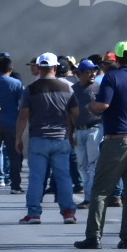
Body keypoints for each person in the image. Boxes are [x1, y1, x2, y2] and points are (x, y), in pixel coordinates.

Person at [77, 42, 127, 250]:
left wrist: (90, 106)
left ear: (117, 58)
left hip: (117, 140)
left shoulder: (112, 77)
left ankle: (93, 237)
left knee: (101, 190)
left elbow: (103, 105)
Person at [17, 53, 77, 225]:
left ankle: (34, 213)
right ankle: (68, 212)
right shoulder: (67, 87)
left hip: (38, 138)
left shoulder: (31, 89)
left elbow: (23, 116)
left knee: (36, 178)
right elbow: (75, 113)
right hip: (61, 138)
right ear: (56, 67)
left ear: (38, 68)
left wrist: (18, 138)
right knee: (64, 176)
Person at [0, 55, 25, 194]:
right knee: (15, 155)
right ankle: (15, 185)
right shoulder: (16, 83)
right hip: (12, 123)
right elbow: (21, 104)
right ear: (11, 69)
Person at [71, 59, 103, 198]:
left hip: (94, 128)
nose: (92, 73)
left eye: (94, 70)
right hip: (78, 130)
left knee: (93, 164)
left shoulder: (99, 88)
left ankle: (90, 197)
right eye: (88, 71)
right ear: (80, 73)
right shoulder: (73, 90)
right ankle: (88, 193)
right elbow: (69, 113)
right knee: (81, 165)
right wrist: (69, 133)